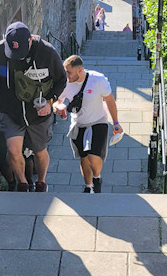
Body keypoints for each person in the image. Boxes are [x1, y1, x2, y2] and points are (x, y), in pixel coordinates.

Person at [0, 21, 66, 192]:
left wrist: (50, 101)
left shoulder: (47, 52)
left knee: (40, 151)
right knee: (12, 150)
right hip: (10, 110)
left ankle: (41, 182)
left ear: (30, 41)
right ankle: (23, 183)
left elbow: (61, 80)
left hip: (37, 112)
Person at [53, 55, 123, 193]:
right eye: (65, 71)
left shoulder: (97, 80)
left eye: (69, 72)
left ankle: (97, 177)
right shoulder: (65, 83)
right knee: (84, 158)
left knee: (93, 156)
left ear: (80, 70)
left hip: (98, 121)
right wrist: (58, 107)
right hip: (78, 124)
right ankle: (88, 186)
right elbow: (56, 101)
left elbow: (109, 100)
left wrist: (116, 122)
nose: (66, 75)